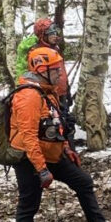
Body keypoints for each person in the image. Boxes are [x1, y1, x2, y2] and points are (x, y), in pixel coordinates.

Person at [11, 47, 111, 222]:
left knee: (83, 182)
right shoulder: (28, 96)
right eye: (56, 70)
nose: (60, 74)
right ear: (41, 70)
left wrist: (66, 148)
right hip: (29, 159)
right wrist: (42, 169)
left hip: (52, 153)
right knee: (28, 205)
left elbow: (56, 124)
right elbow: (28, 138)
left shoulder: (48, 91)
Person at [30, 18, 76, 147]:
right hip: (50, 97)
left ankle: (70, 152)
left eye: (55, 33)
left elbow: (61, 72)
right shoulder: (38, 54)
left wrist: (66, 91)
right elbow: (40, 77)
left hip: (61, 94)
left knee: (68, 124)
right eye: (51, 34)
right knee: (58, 127)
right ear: (42, 35)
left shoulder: (54, 49)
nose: (54, 36)